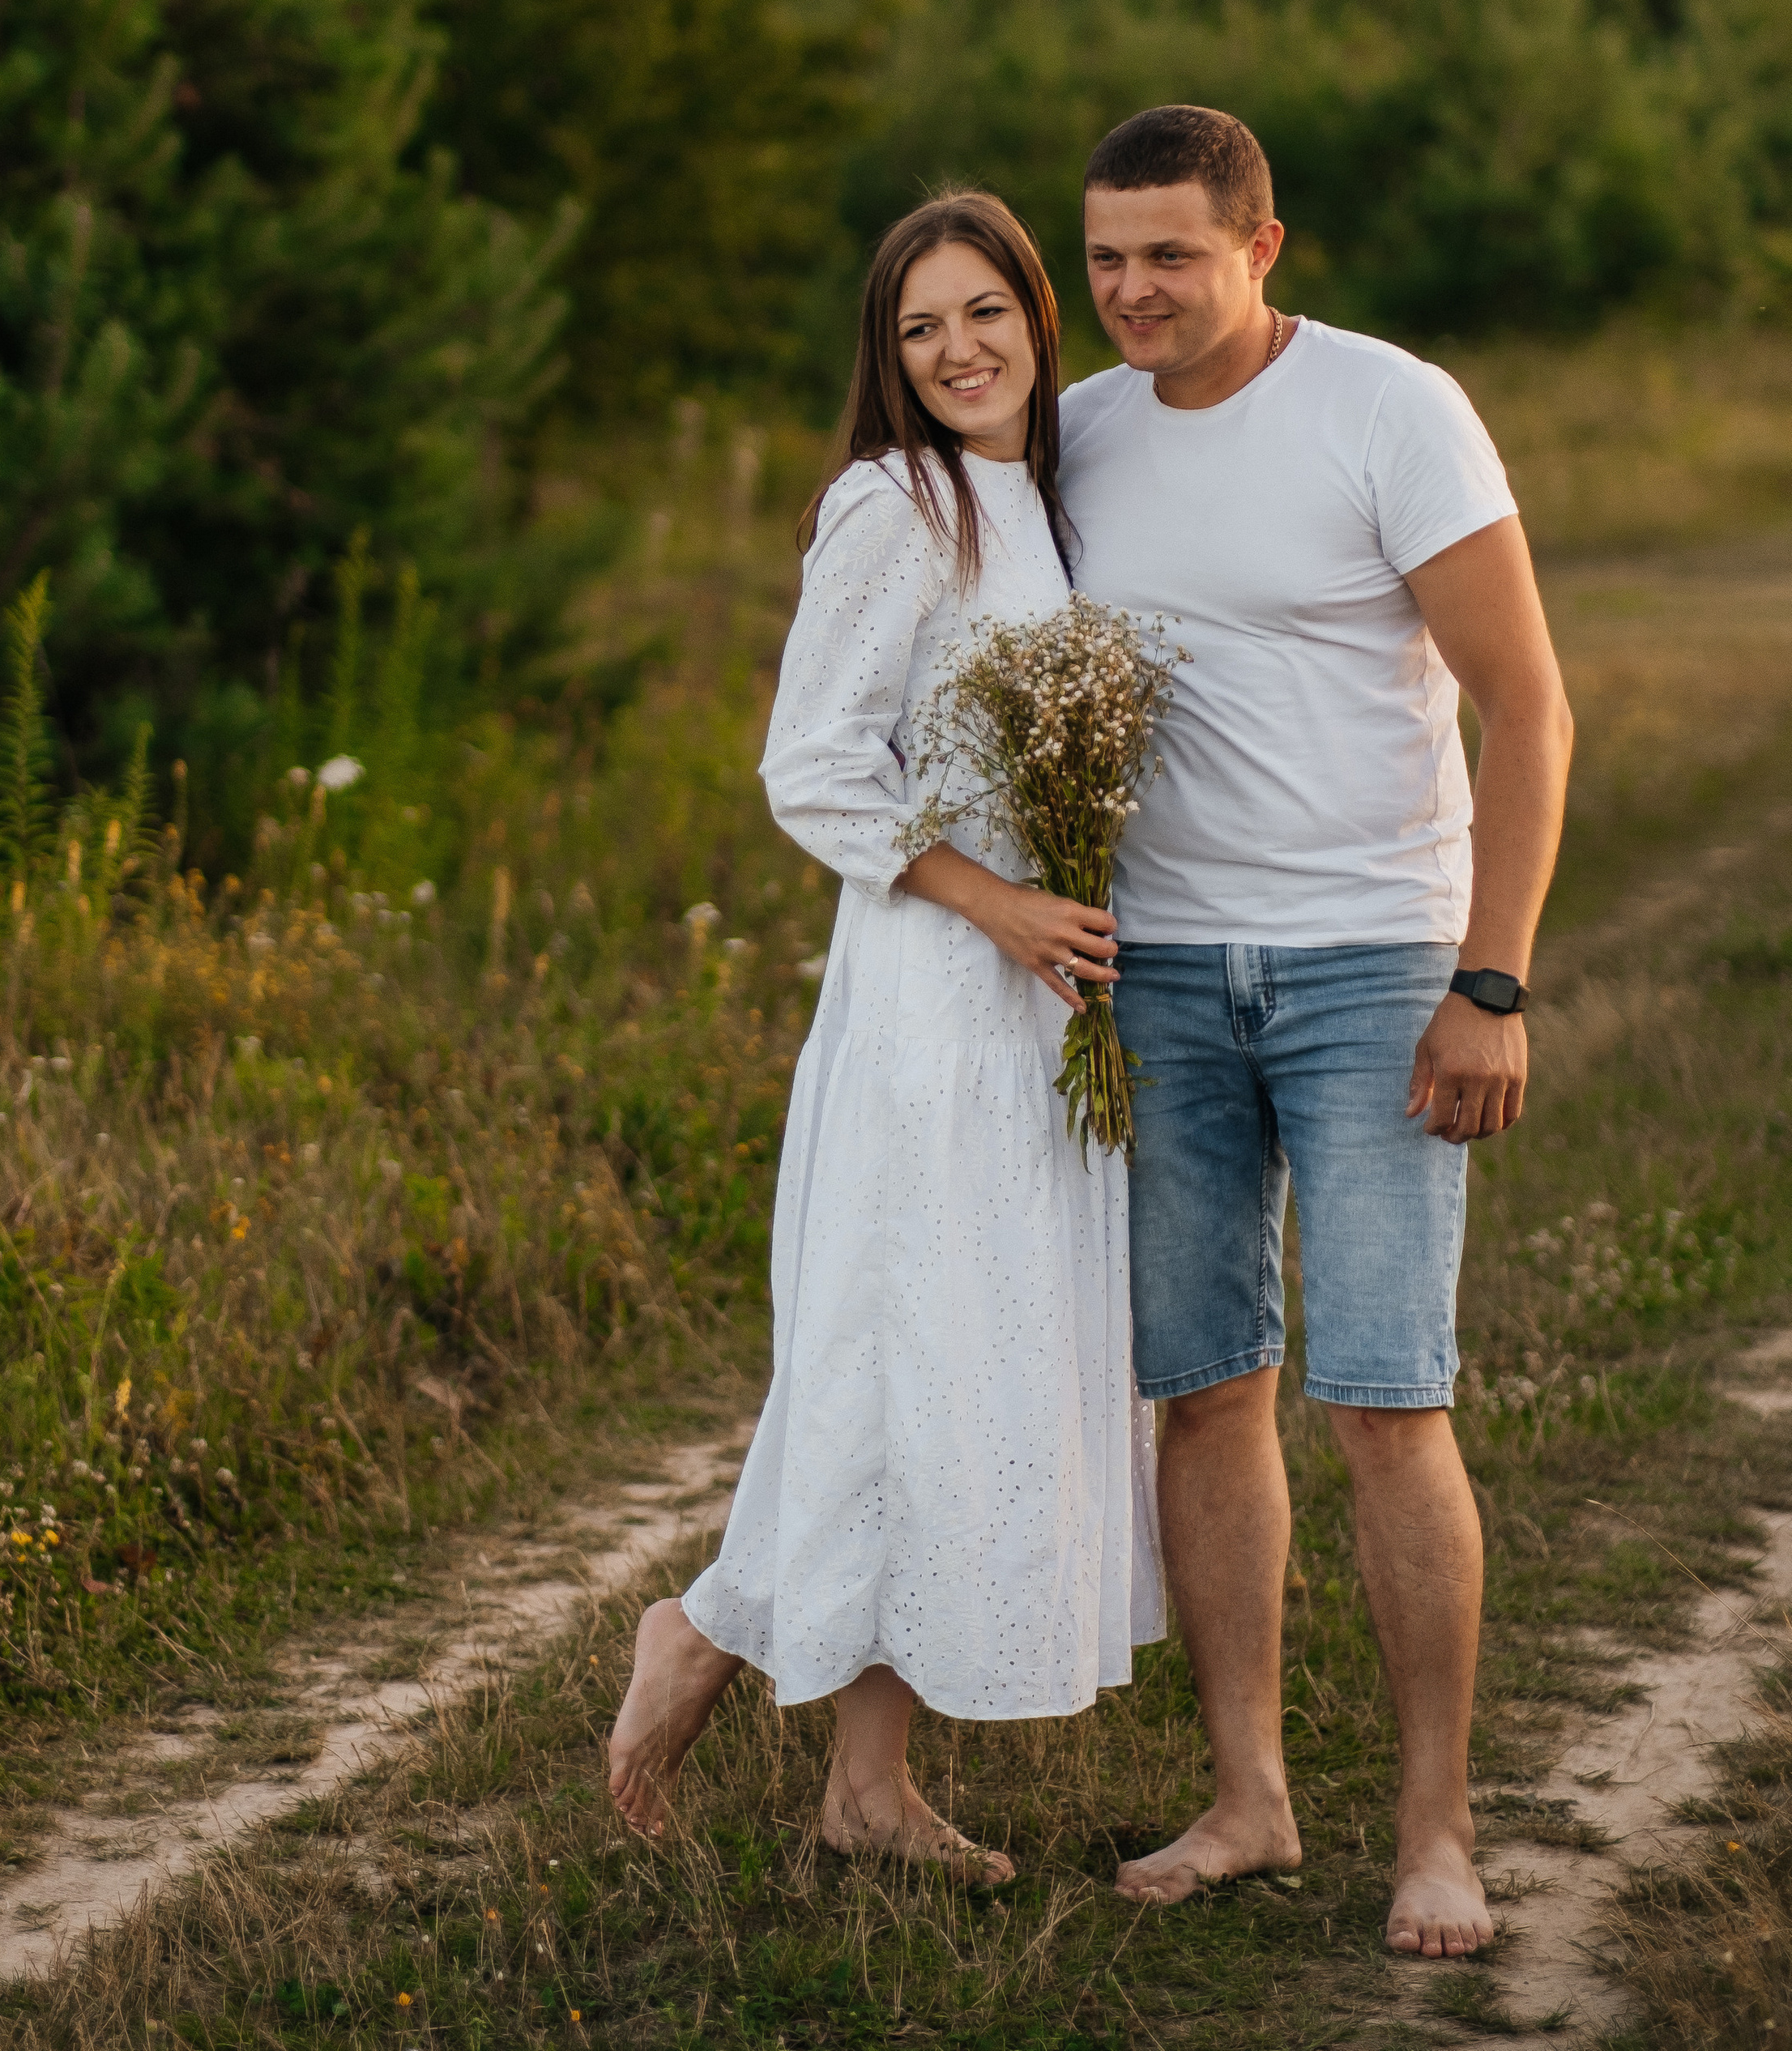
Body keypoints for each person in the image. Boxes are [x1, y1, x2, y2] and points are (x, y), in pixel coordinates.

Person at [1059, 104, 1572, 1962]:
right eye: (1104, 258)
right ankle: (1246, 1799)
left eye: (1168, 254)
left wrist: (1487, 979)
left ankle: (1434, 1832)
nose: (1130, 290)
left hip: (1372, 966)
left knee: (1380, 1398)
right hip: (1161, 979)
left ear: (1259, 246)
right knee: (1202, 1391)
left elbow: (1525, 706)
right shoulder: (1076, 433)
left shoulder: (1388, 409)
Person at [608, 190, 1163, 1878]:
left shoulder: (1045, 500)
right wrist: (999, 907)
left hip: (1040, 1004)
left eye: (983, 312)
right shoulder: (893, 504)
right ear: (888, 356)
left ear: (1035, 319)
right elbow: (812, 767)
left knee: (967, 1370)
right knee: (899, 1351)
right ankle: (705, 1628)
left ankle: (866, 1788)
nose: (956, 350)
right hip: (935, 993)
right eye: (919, 329)